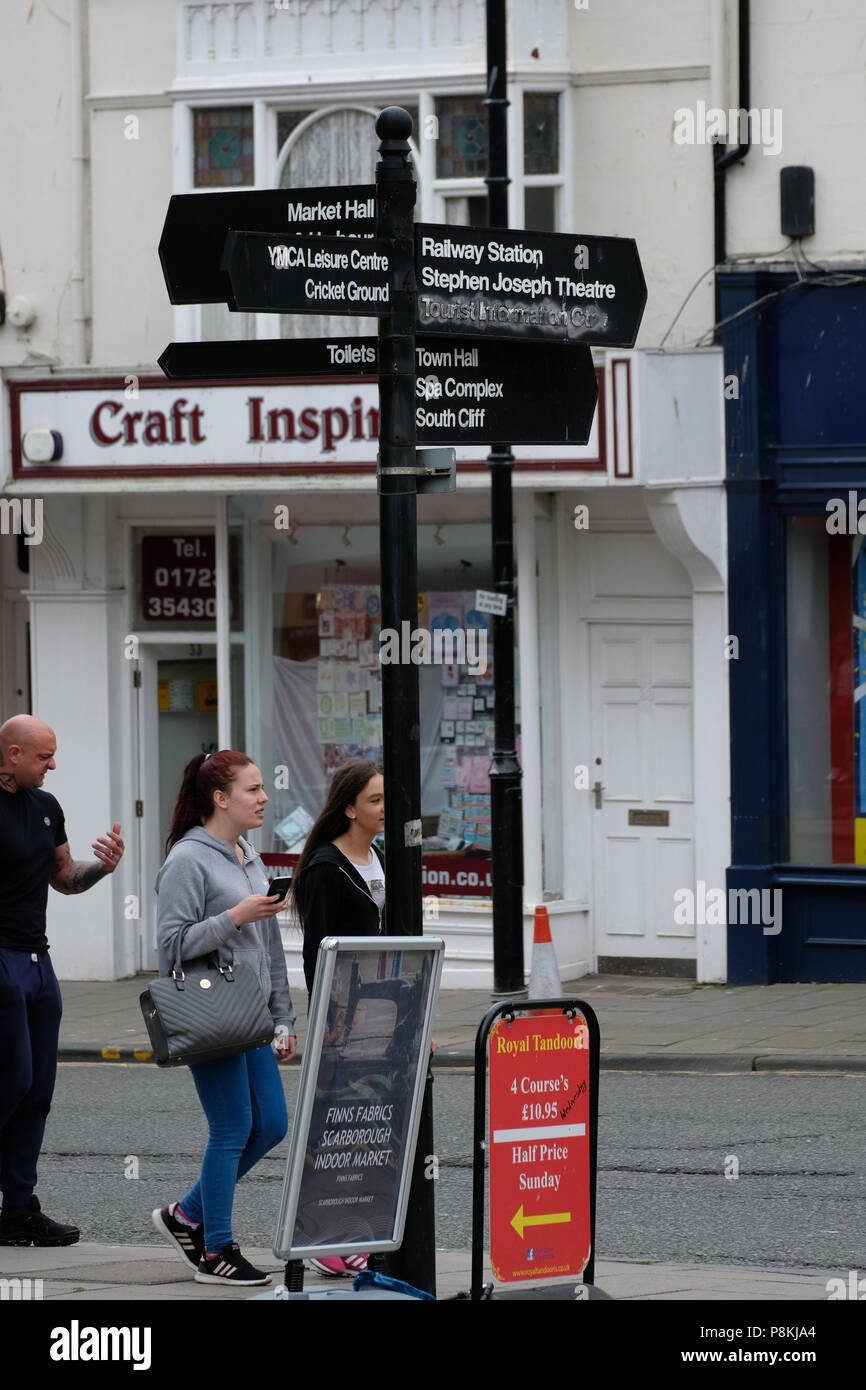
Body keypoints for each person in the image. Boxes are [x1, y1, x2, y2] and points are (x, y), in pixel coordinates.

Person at [152, 750, 297, 1287]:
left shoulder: (248, 855)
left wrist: (283, 1017)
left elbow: (270, 947)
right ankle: (216, 1251)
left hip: (251, 1016)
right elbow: (170, 947)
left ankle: (186, 1215)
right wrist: (234, 916)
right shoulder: (188, 860)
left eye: (262, 789)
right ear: (220, 798)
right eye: (252, 790)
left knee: (273, 1125)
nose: (263, 798)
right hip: (211, 1013)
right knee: (233, 1128)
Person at [0, 715, 124, 1248]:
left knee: (39, 1092)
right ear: (12, 754)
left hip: (37, 961)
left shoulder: (47, 808)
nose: (54, 764)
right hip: (0, 960)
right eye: (44, 756)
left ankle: (18, 1210)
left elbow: (65, 878)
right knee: (13, 1081)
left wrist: (102, 867)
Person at [291, 757, 384, 1276]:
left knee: (372, 1124)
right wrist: (327, 1016)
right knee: (334, 1128)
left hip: (387, 1013)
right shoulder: (327, 867)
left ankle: (361, 1228)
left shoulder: (383, 857)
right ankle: (323, 1240)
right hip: (345, 1015)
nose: (385, 808)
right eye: (375, 800)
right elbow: (316, 950)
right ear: (349, 808)